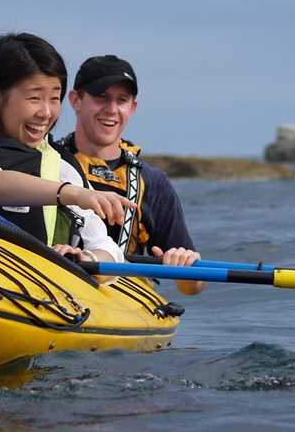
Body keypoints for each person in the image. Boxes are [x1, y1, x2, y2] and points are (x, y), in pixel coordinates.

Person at [0, 33, 136, 270]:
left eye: (54, 98)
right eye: (34, 98)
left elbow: (108, 248)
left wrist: (84, 259)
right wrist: (72, 194)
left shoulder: (63, 167)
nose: (46, 112)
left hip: (34, 294)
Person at [55, 55, 206, 295]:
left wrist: (185, 263)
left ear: (132, 107)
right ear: (76, 100)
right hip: (55, 282)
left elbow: (193, 287)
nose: (112, 109)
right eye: (100, 97)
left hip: (121, 299)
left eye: (121, 100)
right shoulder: (48, 162)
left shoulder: (152, 181)